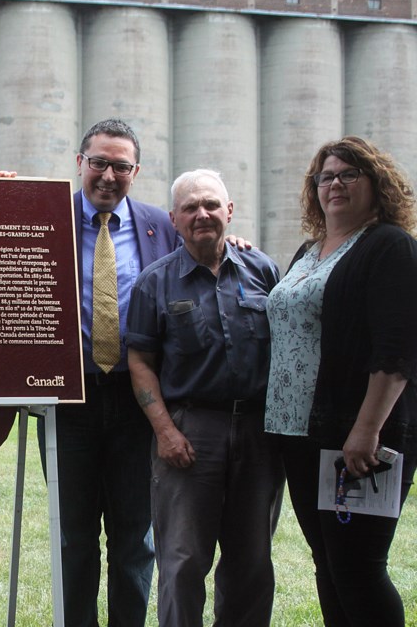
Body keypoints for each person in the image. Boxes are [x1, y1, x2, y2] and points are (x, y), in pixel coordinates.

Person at [264, 136, 417, 626]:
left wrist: (366, 429)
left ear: (377, 185)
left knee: (359, 569)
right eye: (326, 176)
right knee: (327, 562)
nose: (335, 184)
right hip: (299, 435)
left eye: (349, 174)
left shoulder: (389, 246)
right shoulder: (308, 251)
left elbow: (396, 349)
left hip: (356, 438)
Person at [127, 169, 284, 627]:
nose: (202, 214)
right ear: (174, 219)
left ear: (229, 211)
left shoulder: (264, 271)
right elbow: (140, 362)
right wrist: (165, 432)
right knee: (182, 561)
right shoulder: (154, 284)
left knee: (251, 561)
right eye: (191, 207)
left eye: (212, 205)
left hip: (258, 434)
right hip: (191, 433)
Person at [43, 118, 177, 627]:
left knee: (134, 537)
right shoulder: (43, 216)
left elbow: (202, 254)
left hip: (136, 398)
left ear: (134, 172)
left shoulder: (159, 227)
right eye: (98, 162)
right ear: (80, 164)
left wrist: (239, 243)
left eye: (121, 166)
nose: (107, 175)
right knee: (73, 534)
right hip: (68, 400)